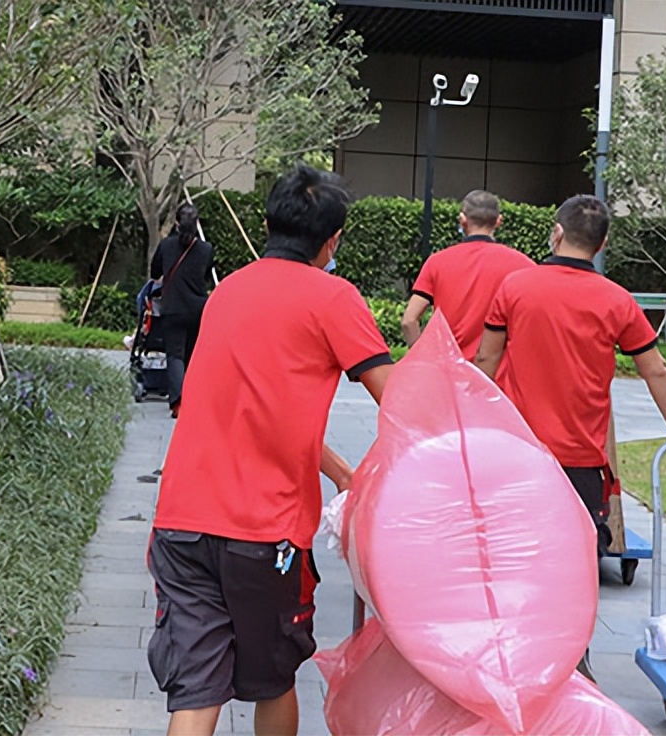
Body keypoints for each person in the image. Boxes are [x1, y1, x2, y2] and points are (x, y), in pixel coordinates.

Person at [146, 165, 393, 736]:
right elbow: (397, 402)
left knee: (197, 688)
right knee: (273, 678)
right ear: (332, 241)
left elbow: (250, 410)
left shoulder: (229, 290)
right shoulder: (335, 298)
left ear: (265, 224)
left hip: (182, 523)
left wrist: (337, 469)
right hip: (264, 533)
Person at [473, 194, 666, 683]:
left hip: (517, 453)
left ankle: (509, 658)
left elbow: (485, 361)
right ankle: (573, 660)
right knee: (577, 564)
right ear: (603, 243)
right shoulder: (616, 300)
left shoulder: (516, 286)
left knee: (513, 556)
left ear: (556, 233)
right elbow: (656, 368)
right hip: (581, 460)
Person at [401, 190, 534, 359]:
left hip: (448, 371)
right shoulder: (523, 265)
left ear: (462, 220)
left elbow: (409, 320)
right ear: (498, 221)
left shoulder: (437, 262)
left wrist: (423, 359)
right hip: (494, 376)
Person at [150, 203, 214, 418]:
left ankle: (178, 401)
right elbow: (206, 276)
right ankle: (195, 398)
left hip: (173, 307)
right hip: (198, 309)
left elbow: (155, 271)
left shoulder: (166, 246)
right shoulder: (206, 249)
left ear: (177, 223)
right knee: (193, 354)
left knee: (175, 355)